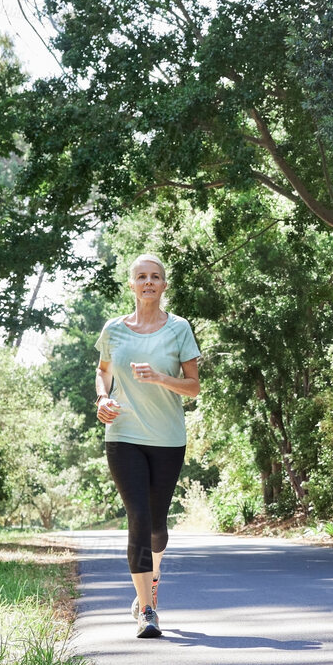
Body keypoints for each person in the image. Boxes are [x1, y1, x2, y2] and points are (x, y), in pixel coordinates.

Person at [96, 254, 201, 638]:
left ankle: (151, 577)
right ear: (132, 285)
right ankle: (147, 610)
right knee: (138, 516)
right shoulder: (114, 329)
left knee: (158, 525)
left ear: (163, 285)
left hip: (167, 438)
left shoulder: (178, 329)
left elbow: (193, 387)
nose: (149, 282)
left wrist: (159, 377)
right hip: (123, 435)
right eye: (141, 276)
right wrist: (102, 399)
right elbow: (103, 371)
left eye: (155, 276)